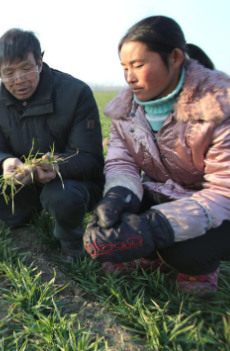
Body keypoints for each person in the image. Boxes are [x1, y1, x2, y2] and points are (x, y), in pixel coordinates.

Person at [83, 16, 230, 295]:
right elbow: (121, 162)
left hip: (219, 210)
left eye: (138, 65)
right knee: (117, 217)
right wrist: (119, 197)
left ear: (174, 57)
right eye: (125, 67)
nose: (129, 77)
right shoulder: (124, 112)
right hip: (167, 193)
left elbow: (224, 192)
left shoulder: (220, 106)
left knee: (183, 250)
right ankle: (155, 258)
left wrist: (154, 228)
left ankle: (197, 268)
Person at [0, 29, 105, 262]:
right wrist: (5, 163)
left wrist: (55, 167)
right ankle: (22, 215)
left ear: (40, 61)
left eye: (27, 68)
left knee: (60, 194)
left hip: (69, 184)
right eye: (9, 73)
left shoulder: (76, 93)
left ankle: (71, 243)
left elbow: (90, 158)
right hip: (25, 182)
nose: (19, 80)